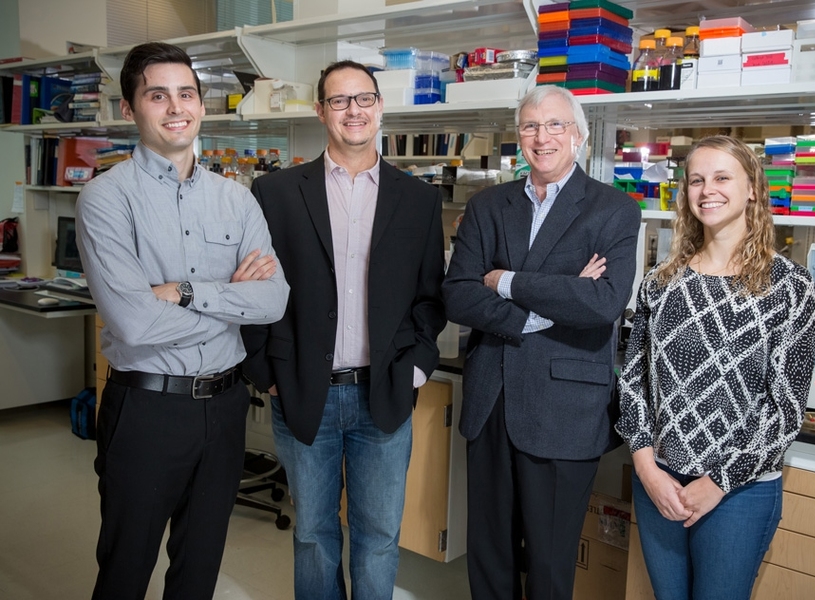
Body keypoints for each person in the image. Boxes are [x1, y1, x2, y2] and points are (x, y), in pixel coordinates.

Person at [75, 41, 289, 600]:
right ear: (130, 109)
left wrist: (182, 292)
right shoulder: (105, 199)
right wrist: (230, 303)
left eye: (186, 93)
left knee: (199, 570)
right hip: (147, 408)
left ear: (201, 103)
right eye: (157, 95)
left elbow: (273, 302)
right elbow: (135, 325)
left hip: (224, 408)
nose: (176, 107)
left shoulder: (237, 200)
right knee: (125, 568)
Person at [240, 60, 446, 600]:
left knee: (379, 538)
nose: (353, 110)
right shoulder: (276, 192)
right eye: (339, 100)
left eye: (364, 99)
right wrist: (267, 372)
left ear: (379, 106)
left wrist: (418, 367)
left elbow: (431, 295)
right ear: (320, 110)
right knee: (312, 534)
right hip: (305, 391)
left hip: (385, 392)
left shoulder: (420, 199)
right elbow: (255, 289)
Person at [442, 85, 642, 599]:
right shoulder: (489, 205)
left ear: (579, 136)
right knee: (489, 554)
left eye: (555, 125)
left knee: (552, 564)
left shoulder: (614, 209)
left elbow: (602, 303)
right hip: (491, 400)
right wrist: (554, 299)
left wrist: (506, 280)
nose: (542, 136)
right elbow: (459, 296)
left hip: (565, 409)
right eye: (530, 126)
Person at [616, 135, 815, 600]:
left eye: (722, 177)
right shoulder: (662, 282)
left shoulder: (790, 287)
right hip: (661, 483)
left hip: (739, 492)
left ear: (753, 188)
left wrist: (718, 483)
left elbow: (785, 409)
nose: (708, 189)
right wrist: (646, 467)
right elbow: (633, 381)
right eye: (697, 180)